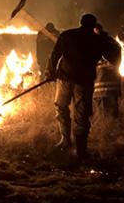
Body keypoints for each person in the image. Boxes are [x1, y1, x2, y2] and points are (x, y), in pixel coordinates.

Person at [44, 14, 119, 158]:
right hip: (83, 82)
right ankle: (80, 149)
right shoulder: (98, 41)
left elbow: (54, 55)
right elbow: (114, 58)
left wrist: (50, 73)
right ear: (93, 25)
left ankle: (66, 140)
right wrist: (107, 39)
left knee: (61, 107)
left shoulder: (67, 35)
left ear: (81, 23)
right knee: (82, 115)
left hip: (66, 78)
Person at [93, 23, 123, 118]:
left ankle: (105, 126)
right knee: (112, 105)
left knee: (100, 107)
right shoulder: (114, 42)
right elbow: (118, 61)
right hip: (114, 80)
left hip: (100, 80)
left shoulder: (95, 42)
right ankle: (114, 125)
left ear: (95, 30)